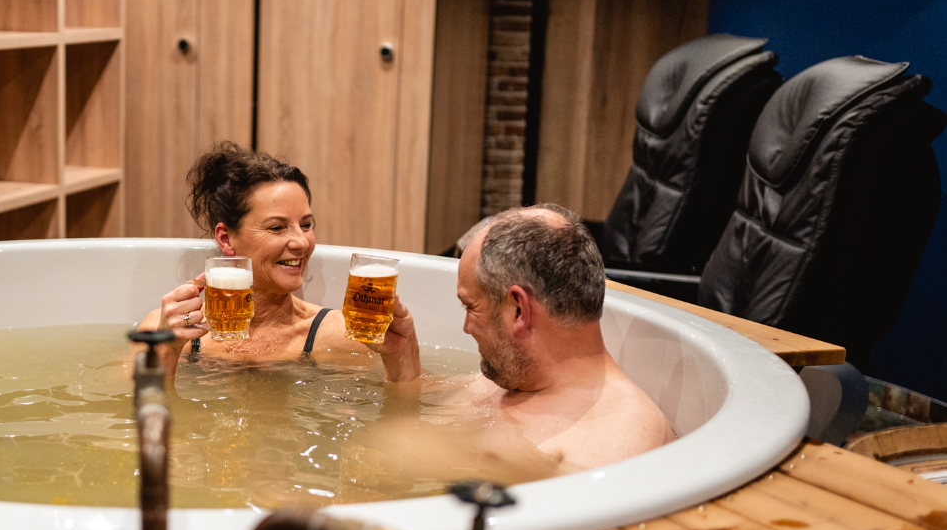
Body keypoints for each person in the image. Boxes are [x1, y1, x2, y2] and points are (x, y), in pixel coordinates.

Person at [141, 142, 420, 381]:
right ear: (226, 239)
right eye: (277, 228)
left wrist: (403, 353)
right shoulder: (166, 329)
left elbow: (411, 419)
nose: (301, 242)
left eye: (307, 224)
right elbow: (127, 416)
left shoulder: (341, 336)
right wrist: (167, 350)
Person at [450, 203, 677, 468]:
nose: (466, 327)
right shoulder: (511, 374)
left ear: (519, 310)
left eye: (471, 307)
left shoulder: (618, 440)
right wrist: (404, 361)